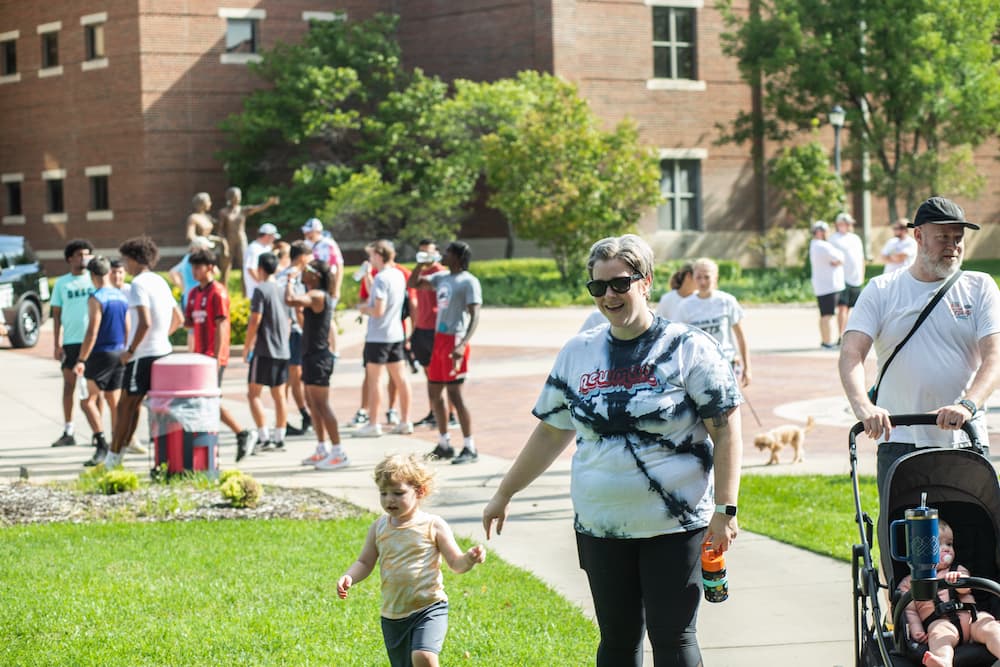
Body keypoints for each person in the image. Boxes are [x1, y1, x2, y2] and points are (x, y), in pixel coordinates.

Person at [482, 234, 743, 666]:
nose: (609, 295)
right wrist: (504, 492)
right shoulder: (578, 351)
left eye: (620, 283)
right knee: (618, 643)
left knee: (674, 640)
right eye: (598, 287)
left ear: (646, 282)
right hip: (601, 527)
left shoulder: (688, 347)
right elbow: (551, 432)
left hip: (675, 527)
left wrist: (726, 510)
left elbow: (726, 429)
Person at [839, 196, 1000, 494]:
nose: (953, 245)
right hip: (899, 439)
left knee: (972, 533)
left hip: (963, 437)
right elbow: (851, 353)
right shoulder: (882, 289)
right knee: (901, 530)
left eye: (958, 237)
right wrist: (864, 407)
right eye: (942, 237)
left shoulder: (980, 287)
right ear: (918, 236)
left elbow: (995, 358)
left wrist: (967, 405)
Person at [337, 454, 486, 667]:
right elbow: (365, 562)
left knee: (423, 656)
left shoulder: (433, 525)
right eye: (384, 493)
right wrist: (349, 577)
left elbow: (456, 563)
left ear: (420, 491)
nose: (389, 499)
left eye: (398, 493)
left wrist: (469, 559)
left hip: (429, 607)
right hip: (393, 615)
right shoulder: (379, 527)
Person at [104, 237, 184, 469]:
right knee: (136, 404)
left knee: (125, 406)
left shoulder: (139, 284)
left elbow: (145, 322)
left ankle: (113, 459)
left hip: (142, 354)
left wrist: (130, 350)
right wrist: (162, 338)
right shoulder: (160, 281)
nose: (125, 266)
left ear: (134, 259)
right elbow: (178, 318)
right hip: (162, 352)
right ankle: (119, 456)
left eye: (126, 260)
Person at [408, 241, 483, 464]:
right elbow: (413, 283)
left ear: (458, 257)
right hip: (439, 339)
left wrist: (462, 344)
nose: (443, 255)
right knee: (434, 393)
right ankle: (444, 443)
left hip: (455, 339)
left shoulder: (469, 281)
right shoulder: (442, 278)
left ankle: (470, 446)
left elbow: (475, 314)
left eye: (448, 252)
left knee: (455, 396)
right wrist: (420, 264)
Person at [183, 249, 256, 462]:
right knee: (204, 401)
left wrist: (216, 358)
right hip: (199, 357)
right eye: (193, 267)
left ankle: (240, 434)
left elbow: (222, 325)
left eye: (198, 267)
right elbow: (189, 321)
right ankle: (222, 439)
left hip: (213, 357)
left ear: (210, 267)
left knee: (209, 401)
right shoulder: (195, 293)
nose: (195, 271)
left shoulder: (218, 292)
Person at [898, 519, 1000, 667]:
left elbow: (966, 589)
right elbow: (909, 611)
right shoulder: (909, 582)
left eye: (949, 544)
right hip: (942, 623)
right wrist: (916, 629)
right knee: (939, 637)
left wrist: (959, 581)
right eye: (938, 544)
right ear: (917, 551)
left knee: (990, 626)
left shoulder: (957, 570)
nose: (946, 549)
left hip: (972, 618)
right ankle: (943, 662)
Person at [284, 260, 349, 470]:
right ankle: (322, 448)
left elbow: (291, 300)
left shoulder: (318, 295)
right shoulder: (315, 298)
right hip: (311, 356)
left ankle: (338, 452)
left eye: (307, 271)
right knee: (313, 405)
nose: (303, 273)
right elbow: (303, 322)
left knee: (322, 405)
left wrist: (290, 280)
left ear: (316, 276)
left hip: (319, 358)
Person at [355, 240, 413, 437]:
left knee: (375, 380)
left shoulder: (381, 278)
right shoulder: (397, 274)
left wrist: (363, 309)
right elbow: (378, 295)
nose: (370, 260)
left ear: (379, 255)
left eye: (372, 255)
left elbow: (378, 310)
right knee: (401, 379)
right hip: (396, 333)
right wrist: (367, 278)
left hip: (378, 336)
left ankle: (374, 423)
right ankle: (405, 420)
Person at [74, 256, 128, 467]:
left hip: (100, 354)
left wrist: (81, 358)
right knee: (113, 402)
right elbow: (127, 326)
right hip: (119, 351)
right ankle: (117, 446)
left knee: (87, 401)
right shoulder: (120, 296)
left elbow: (92, 331)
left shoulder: (96, 298)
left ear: (92, 275)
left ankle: (102, 443)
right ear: (107, 273)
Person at [675, 257, 752, 387]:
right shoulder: (685, 306)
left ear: (715, 277)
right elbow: (679, 341)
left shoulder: (727, 301)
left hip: (726, 365)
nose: (702, 281)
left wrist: (747, 367)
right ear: (693, 278)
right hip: (698, 367)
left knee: (729, 405)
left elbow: (740, 336)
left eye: (707, 277)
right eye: (698, 277)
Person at [243, 251, 291, 451]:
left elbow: (256, 319)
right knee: (279, 395)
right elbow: (288, 320)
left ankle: (264, 437)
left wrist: (247, 346)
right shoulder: (282, 290)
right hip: (282, 349)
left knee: (253, 393)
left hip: (264, 350)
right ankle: (280, 436)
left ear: (260, 268)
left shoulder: (260, 290)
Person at [50, 239, 95, 447]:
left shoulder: (94, 280)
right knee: (69, 386)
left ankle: (98, 433)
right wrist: (56, 344)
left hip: (93, 342)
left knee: (95, 390)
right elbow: (56, 315)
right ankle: (69, 431)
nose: (83, 258)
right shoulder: (61, 283)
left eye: (86, 254)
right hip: (70, 342)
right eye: (79, 254)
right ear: (70, 258)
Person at [410, 240, 456, 429]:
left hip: (437, 329)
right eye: (421, 252)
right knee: (429, 374)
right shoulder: (420, 272)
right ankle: (434, 411)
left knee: (445, 374)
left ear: (436, 253)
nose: (424, 256)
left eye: (428, 252)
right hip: (421, 327)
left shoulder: (441, 274)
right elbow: (413, 291)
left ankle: (451, 413)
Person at [278, 241, 314, 436]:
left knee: (286, 378)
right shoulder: (296, 277)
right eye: (310, 257)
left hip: (283, 332)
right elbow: (298, 308)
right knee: (295, 376)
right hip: (294, 332)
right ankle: (305, 415)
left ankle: (283, 421)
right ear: (302, 257)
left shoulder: (281, 275)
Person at [301, 218, 345, 357]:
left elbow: (339, 267)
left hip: (327, 286)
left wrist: (336, 288)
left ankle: (334, 349)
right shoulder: (307, 245)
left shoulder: (329, 244)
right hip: (312, 287)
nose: (307, 234)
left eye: (310, 232)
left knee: (328, 317)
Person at [216, 186, 279, 282]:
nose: (238, 198)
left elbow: (258, 208)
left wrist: (268, 203)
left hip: (241, 239)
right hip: (228, 240)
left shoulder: (242, 210)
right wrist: (224, 243)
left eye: (239, 196)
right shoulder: (223, 212)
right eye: (236, 196)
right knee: (226, 267)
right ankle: (223, 291)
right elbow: (220, 231)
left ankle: (245, 291)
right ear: (230, 197)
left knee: (244, 265)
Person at [809, 220, 845, 349]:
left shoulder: (815, 245)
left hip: (823, 286)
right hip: (829, 286)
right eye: (826, 231)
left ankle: (825, 340)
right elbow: (840, 257)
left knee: (824, 315)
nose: (828, 233)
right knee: (828, 315)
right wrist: (838, 261)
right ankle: (828, 342)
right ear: (819, 232)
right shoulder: (822, 246)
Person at [830, 212, 866, 338]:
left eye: (849, 223)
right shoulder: (833, 238)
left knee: (855, 310)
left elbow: (861, 258)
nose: (848, 225)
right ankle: (841, 335)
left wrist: (862, 275)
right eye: (845, 223)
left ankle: (851, 333)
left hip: (856, 278)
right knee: (842, 307)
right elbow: (830, 258)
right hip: (842, 278)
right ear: (839, 224)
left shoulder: (855, 238)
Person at [185, 192, 229, 274]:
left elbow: (210, 233)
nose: (210, 203)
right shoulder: (193, 218)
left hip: (209, 249)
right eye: (209, 201)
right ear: (202, 203)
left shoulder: (208, 217)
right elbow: (190, 235)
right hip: (199, 251)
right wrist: (201, 243)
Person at [168, 236, 214, 309]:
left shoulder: (187, 258)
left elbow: (172, 272)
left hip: (188, 297)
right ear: (198, 247)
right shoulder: (195, 261)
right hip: (197, 299)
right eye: (206, 247)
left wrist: (184, 288)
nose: (208, 250)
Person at [243, 223, 280, 300]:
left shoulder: (266, 247)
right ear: (267, 235)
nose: (274, 239)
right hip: (256, 292)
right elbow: (251, 269)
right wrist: (262, 284)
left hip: (265, 291)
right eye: (273, 236)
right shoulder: (253, 249)